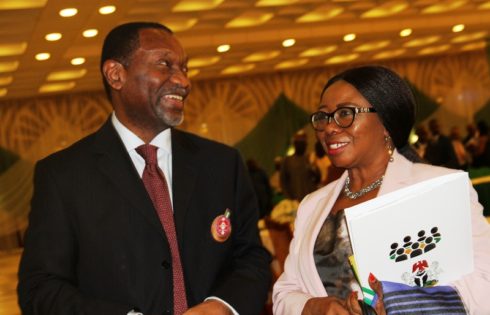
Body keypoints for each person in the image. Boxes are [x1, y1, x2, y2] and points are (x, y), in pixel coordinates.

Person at [17, 22, 271, 315]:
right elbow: (40, 288)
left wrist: (223, 306)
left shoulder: (222, 163)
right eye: (165, 64)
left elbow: (251, 257)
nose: (183, 81)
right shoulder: (63, 176)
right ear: (116, 75)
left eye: (184, 68)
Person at [272, 65, 490, 314]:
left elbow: (485, 279)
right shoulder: (312, 205)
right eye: (323, 117)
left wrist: (404, 302)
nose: (330, 127)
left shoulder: (438, 190)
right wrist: (313, 307)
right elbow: (284, 292)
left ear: (386, 122)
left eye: (345, 113)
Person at [280, 130, 319, 201]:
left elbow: (317, 178)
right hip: (296, 200)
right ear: (295, 144)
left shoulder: (309, 158)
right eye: (299, 143)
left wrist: (313, 166)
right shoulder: (287, 161)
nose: (302, 146)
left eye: (304, 143)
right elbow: (283, 182)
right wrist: (290, 198)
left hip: (312, 198)